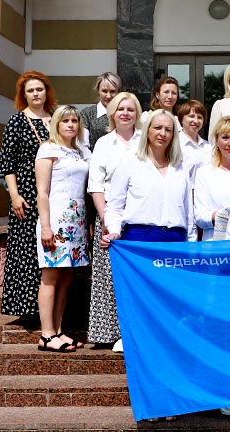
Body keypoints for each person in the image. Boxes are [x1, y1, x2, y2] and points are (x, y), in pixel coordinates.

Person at [87, 92, 143, 351]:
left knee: (137, 277)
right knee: (110, 277)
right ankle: (111, 332)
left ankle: (138, 331)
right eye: (121, 109)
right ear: (112, 113)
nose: (125, 113)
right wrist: (106, 219)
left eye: (130, 109)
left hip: (140, 218)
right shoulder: (104, 143)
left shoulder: (144, 141)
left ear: (137, 113)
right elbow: (96, 185)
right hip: (110, 216)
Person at [0, 71, 57, 317]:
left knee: (52, 249)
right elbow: (7, 164)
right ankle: (27, 307)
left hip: (55, 193)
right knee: (28, 250)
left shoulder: (56, 118)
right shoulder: (17, 121)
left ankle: (50, 308)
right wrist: (15, 195)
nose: (35, 94)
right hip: (27, 194)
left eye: (39, 89)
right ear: (24, 95)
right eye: (30, 90)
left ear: (47, 91)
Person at [34, 105, 91, 352]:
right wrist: (46, 226)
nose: (70, 125)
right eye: (65, 120)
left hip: (76, 222)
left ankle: (58, 330)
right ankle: (46, 334)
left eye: (74, 121)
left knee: (66, 277)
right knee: (51, 276)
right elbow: (42, 192)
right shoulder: (48, 149)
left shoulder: (80, 151)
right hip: (56, 220)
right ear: (56, 124)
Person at [103, 108, 196, 246]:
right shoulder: (129, 162)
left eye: (168, 130)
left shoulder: (181, 167)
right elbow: (115, 207)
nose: (162, 133)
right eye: (157, 128)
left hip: (176, 241)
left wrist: (192, 243)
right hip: (139, 240)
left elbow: (188, 213)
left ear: (173, 136)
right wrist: (114, 232)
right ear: (147, 130)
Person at [79, 72, 121, 150]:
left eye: (112, 91)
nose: (108, 96)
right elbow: (83, 145)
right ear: (98, 90)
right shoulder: (87, 114)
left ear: (118, 92)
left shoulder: (124, 113)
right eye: (104, 91)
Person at [177, 100, 213, 183]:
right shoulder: (175, 144)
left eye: (199, 117)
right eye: (191, 116)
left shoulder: (208, 146)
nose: (196, 121)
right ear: (181, 119)